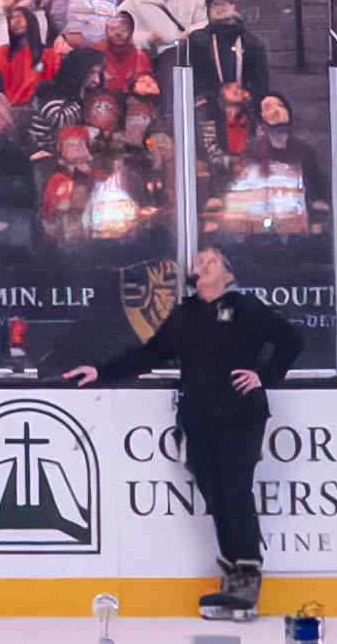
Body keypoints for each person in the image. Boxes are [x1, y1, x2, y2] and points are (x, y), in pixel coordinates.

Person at [91, 243, 290, 619]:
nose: (204, 264)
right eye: (200, 261)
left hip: (240, 414)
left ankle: (248, 576)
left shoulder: (247, 308)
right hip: (199, 417)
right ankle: (232, 574)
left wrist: (264, 375)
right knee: (215, 494)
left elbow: (290, 340)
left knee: (235, 490)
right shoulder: (185, 315)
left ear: (228, 274)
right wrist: (100, 371)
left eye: (213, 261)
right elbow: (149, 355)